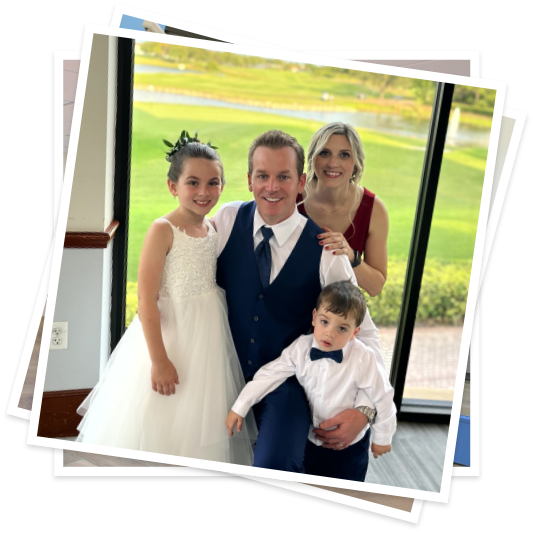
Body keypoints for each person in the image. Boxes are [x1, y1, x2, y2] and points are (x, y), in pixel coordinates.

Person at [75, 133, 257, 465]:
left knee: (196, 413)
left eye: (213, 182)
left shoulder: (212, 228)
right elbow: (145, 300)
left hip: (207, 335)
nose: (204, 191)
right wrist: (159, 360)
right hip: (170, 336)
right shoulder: (163, 229)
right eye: (193, 182)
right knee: (163, 410)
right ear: (173, 186)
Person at [213, 130, 386, 474]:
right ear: (249, 180)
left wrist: (365, 411)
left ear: (301, 182)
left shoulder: (326, 252)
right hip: (221, 373)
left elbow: (365, 335)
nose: (272, 187)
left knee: (277, 464)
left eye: (283, 177)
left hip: (288, 381)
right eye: (262, 175)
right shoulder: (227, 220)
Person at [226, 281, 396, 481]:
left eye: (342, 328)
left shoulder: (363, 358)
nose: (330, 333)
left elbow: (383, 396)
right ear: (314, 317)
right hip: (311, 439)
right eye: (325, 322)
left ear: (355, 332)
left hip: (350, 447)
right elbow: (270, 374)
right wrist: (241, 405)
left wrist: (383, 437)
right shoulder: (300, 348)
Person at [296, 122, 389, 297]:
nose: (333, 163)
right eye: (325, 153)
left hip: (338, 319)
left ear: (356, 163)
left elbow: (375, 287)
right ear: (313, 158)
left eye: (344, 155)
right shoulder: (293, 195)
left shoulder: (373, 209)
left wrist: (350, 257)